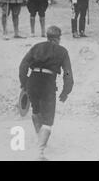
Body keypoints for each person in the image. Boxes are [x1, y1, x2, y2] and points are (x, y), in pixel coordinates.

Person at [19, 26, 74, 160]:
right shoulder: (62, 51)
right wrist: (66, 91)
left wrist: (24, 83)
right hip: (48, 83)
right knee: (48, 120)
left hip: (33, 80)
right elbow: (67, 72)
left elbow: (23, 65)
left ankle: (40, 140)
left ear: (48, 37)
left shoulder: (37, 47)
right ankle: (40, 152)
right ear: (58, 38)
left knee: (36, 111)